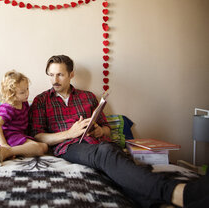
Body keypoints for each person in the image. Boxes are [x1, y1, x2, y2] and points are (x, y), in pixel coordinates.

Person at [29, 55, 208, 208]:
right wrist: (71, 133)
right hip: (70, 147)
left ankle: (156, 202)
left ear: (71, 74)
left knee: (116, 163)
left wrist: (100, 131)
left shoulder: (88, 97)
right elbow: (38, 136)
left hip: (99, 143)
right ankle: (179, 193)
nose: (55, 80)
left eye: (60, 74)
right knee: (108, 153)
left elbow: (107, 128)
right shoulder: (41, 101)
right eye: (51, 75)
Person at [0, 70, 48, 161]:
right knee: (40, 148)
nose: (27, 93)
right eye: (22, 92)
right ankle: (6, 150)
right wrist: (4, 144)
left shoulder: (24, 103)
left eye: (27, 89)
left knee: (44, 147)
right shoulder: (8, 107)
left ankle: (11, 152)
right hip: (8, 136)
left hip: (19, 136)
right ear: (11, 95)